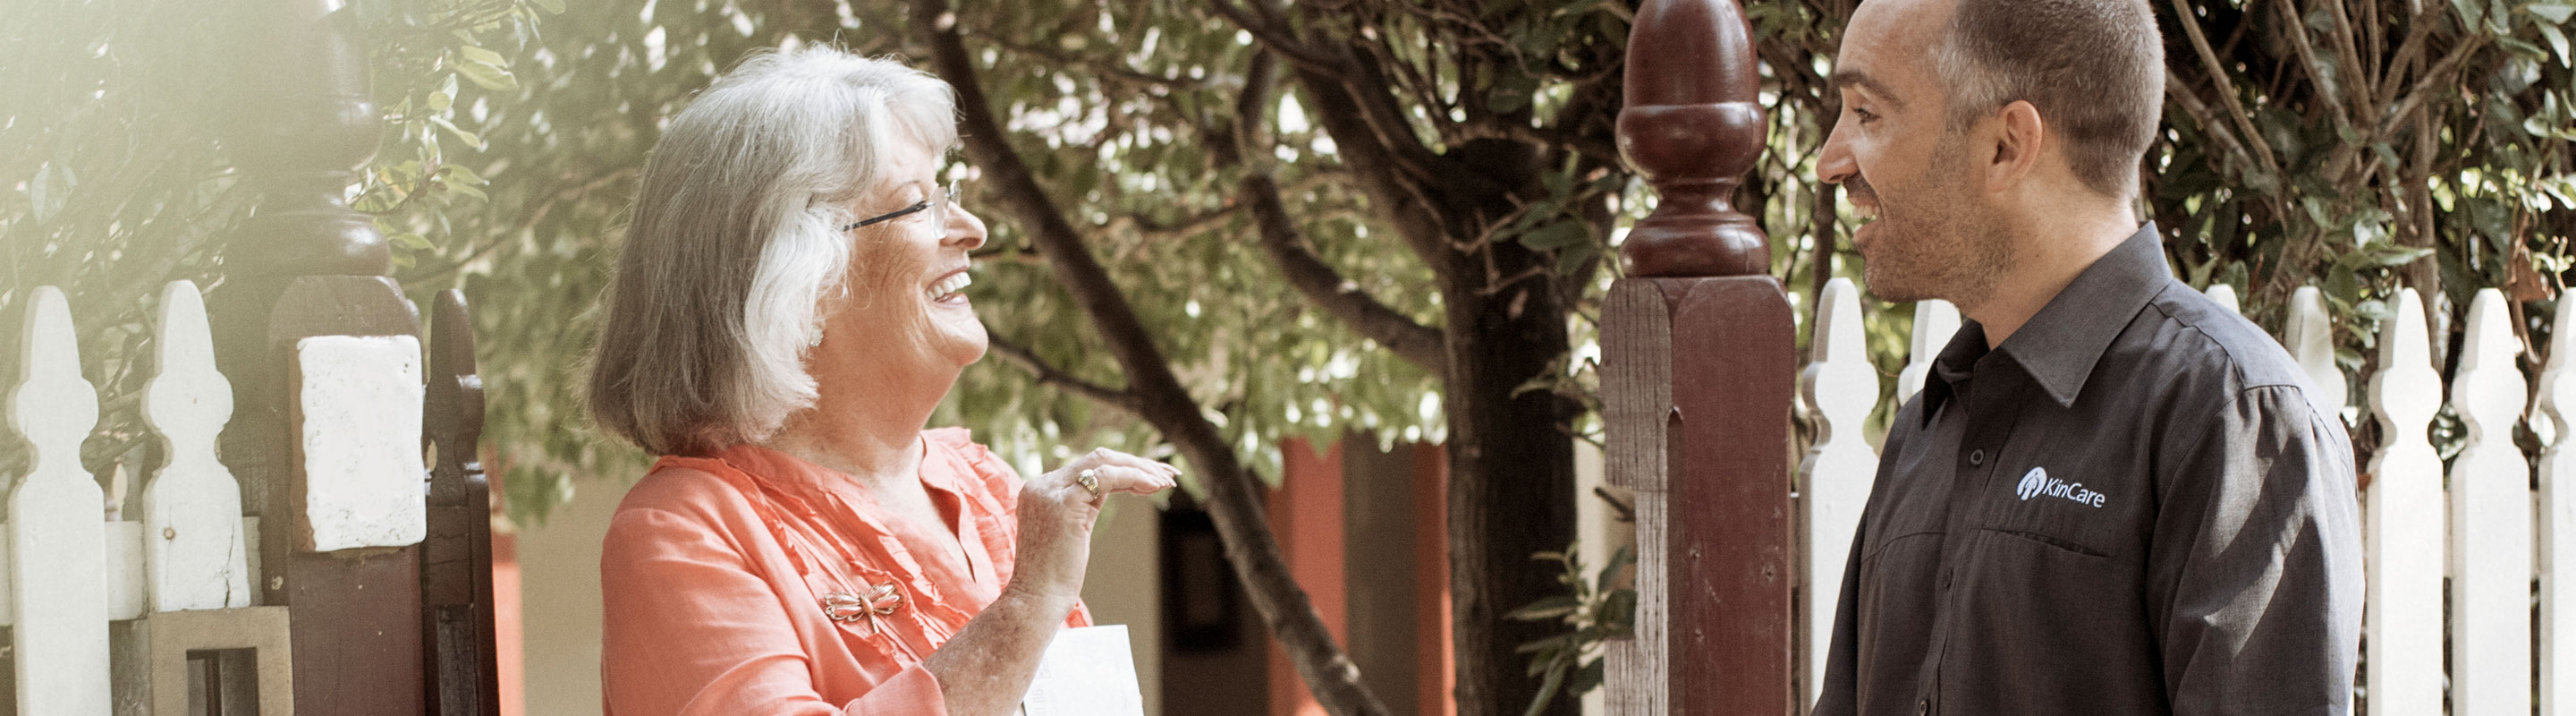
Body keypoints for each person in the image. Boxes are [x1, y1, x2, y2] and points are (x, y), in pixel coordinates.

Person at [1807, 0, 2362, 714]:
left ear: (2007, 145)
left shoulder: (2233, 417)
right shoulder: (1926, 428)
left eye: (1866, 113)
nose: (1830, 161)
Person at [586, 46, 1175, 716]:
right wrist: (1026, 607)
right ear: (801, 283)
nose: (972, 229)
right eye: (918, 205)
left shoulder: (983, 483)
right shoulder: (682, 529)